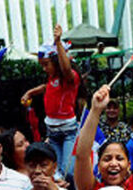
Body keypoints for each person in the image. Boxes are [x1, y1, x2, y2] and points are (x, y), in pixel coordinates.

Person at [22, 25, 81, 178]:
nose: (44, 68)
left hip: (68, 131)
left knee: (68, 171)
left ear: (56, 61)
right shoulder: (52, 79)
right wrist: (30, 93)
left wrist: (58, 42)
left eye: (46, 64)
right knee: (56, 172)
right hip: (52, 132)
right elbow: (45, 88)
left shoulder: (70, 78)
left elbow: (66, 69)